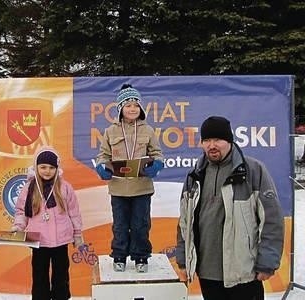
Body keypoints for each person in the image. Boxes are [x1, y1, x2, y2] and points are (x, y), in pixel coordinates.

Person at [176, 116, 284, 300]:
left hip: (244, 272)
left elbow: (271, 220)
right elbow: (185, 222)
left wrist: (267, 262)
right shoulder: (195, 175)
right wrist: (183, 258)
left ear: (230, 141)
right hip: (208, 273)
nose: (212, 145)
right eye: (207, 140)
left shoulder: (253, 170)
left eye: (217, 140)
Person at [95, 84, 164, 273]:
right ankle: (119, 256)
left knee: (140, 224)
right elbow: (103, 156)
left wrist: (156, 165)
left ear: (140, 108)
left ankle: (141, 256)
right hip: (118, 188)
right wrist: (102, 167)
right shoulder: (110, 131)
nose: (132, 109)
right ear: (120, 109)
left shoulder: (148, 130)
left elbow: (157, 153)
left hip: (142, 187)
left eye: (136, 105)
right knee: (120, 225)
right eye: (128, 105)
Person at [12, 146, 83, 300]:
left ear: (57, 169)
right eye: (43, 167)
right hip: (38, 241)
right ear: (36, 167)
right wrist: (18, 227)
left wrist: (78, 234)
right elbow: (21, 212)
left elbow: (74, 213)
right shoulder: (28, 188)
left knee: (61, 277)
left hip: (61, 241)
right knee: (39, 276)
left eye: (51, 167)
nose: (47, 171)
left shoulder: (64, 187)